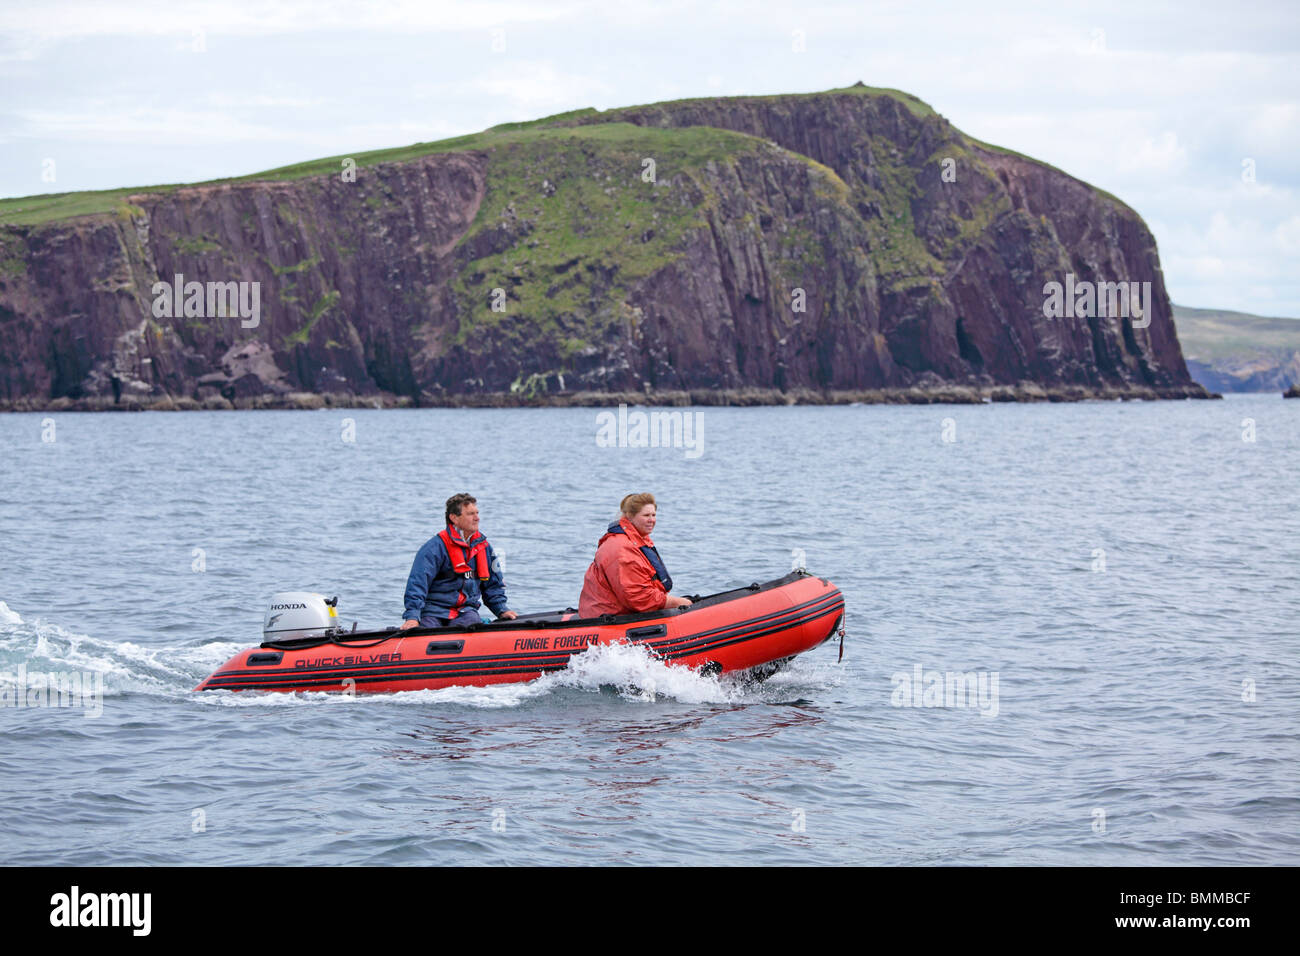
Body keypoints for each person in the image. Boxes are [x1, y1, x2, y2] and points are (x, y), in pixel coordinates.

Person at [401, 493, 518, 629]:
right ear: (454, 518)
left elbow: (494, 585)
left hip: (465, 612)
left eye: (477, 513)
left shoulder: (484, 548)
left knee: (472, 625)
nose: (477, 518)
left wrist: (501, 609)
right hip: (433, 611)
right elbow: (417, 584)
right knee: (427, 630)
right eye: (470, 514)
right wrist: (412, 617)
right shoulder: (433, 548)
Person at [579, 492, 692, 617]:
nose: (652, 520)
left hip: (620, 611)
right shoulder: (622, 548)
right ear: (630, 517)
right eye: (646, 515)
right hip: (609, 616)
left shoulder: (636, 540)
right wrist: (677, 602)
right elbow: (638, 596)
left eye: (653, 515)